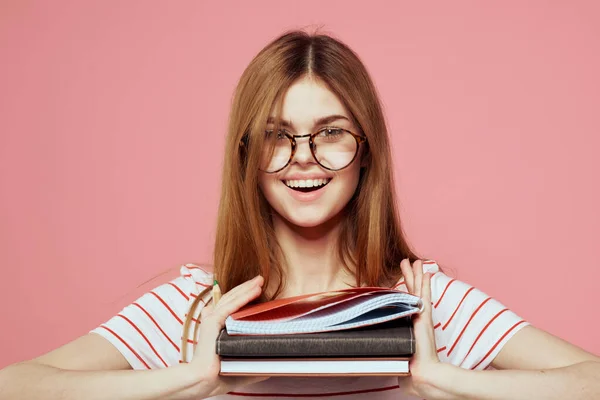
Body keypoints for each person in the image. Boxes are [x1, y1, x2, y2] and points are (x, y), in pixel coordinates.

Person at [0, 30, 598, 400]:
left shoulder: (425, 306)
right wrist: (190, 379)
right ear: (246, 157)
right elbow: (15, 385)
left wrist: (445, 382)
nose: (302, 160)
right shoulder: (195, 313)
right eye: (277, 136)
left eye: (330, 133)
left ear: (367, 154)